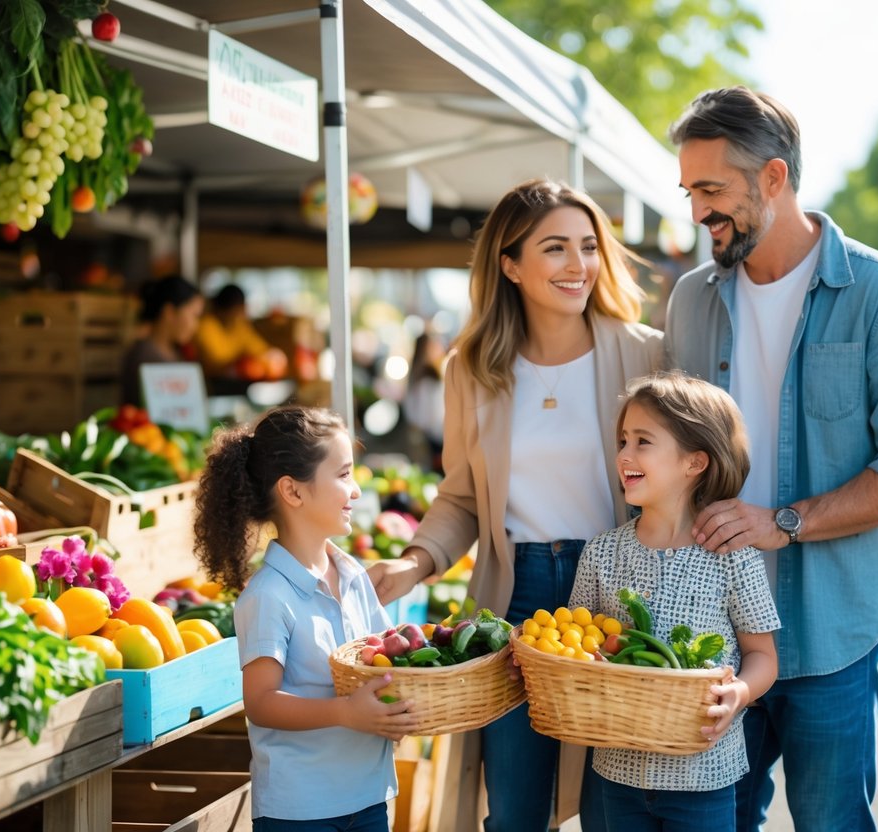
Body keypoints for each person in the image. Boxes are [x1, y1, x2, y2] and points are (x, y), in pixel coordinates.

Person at [663, 87, 878, 831]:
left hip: (832, 635)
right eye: (689, 191)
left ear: (773, 178)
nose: (696, 211)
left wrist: (783, 521)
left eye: (710, 190)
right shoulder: (691, 300)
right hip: (712, 636)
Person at [367, 178, 663, 832]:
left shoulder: (644, 353)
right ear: (509, 264)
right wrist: (415, 562)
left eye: (587, 247)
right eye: (554, 248)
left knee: (617, 805)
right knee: (514, 810)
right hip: (515, 596)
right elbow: (463, 496)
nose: (577, 265)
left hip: (617, 590)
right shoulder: (471, 368)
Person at [569, 372, 780, 830]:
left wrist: (739, 693)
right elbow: (575, 648)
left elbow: (763, 656)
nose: (624, 454)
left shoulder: (733, 557)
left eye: (643, 441)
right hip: (615, 773)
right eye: (623, 440)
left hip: (704, 777)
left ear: (695, 462)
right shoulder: (602, 552)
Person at [193, 406, 418, 830]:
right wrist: (346, 713)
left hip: (369, 797)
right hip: (299, 811)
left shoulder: (352, 574)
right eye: (343, 475)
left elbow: (379, 663)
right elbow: (261, 703)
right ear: (293, 492)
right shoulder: (268, 595)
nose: (356, 492)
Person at [120, 274, 203, 407]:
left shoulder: (174, 352)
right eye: (194, 315)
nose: (196, 325)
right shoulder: (144, 357)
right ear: (169, 312)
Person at [194, 284, 286, 386]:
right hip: (211, 384)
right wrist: (242, 362)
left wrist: (272, 356)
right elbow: (216, 365)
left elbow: (260, 349)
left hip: (235, 384)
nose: (243, 314)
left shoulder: (239, 325)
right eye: (239, 310)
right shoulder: (206, 325)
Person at [401, 329, 447, 473]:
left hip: (424, 438)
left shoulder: (417, 375)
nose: (440, 349)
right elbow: (433, 416)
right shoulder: (430, 377)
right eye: (435, 345)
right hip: (435, 439)